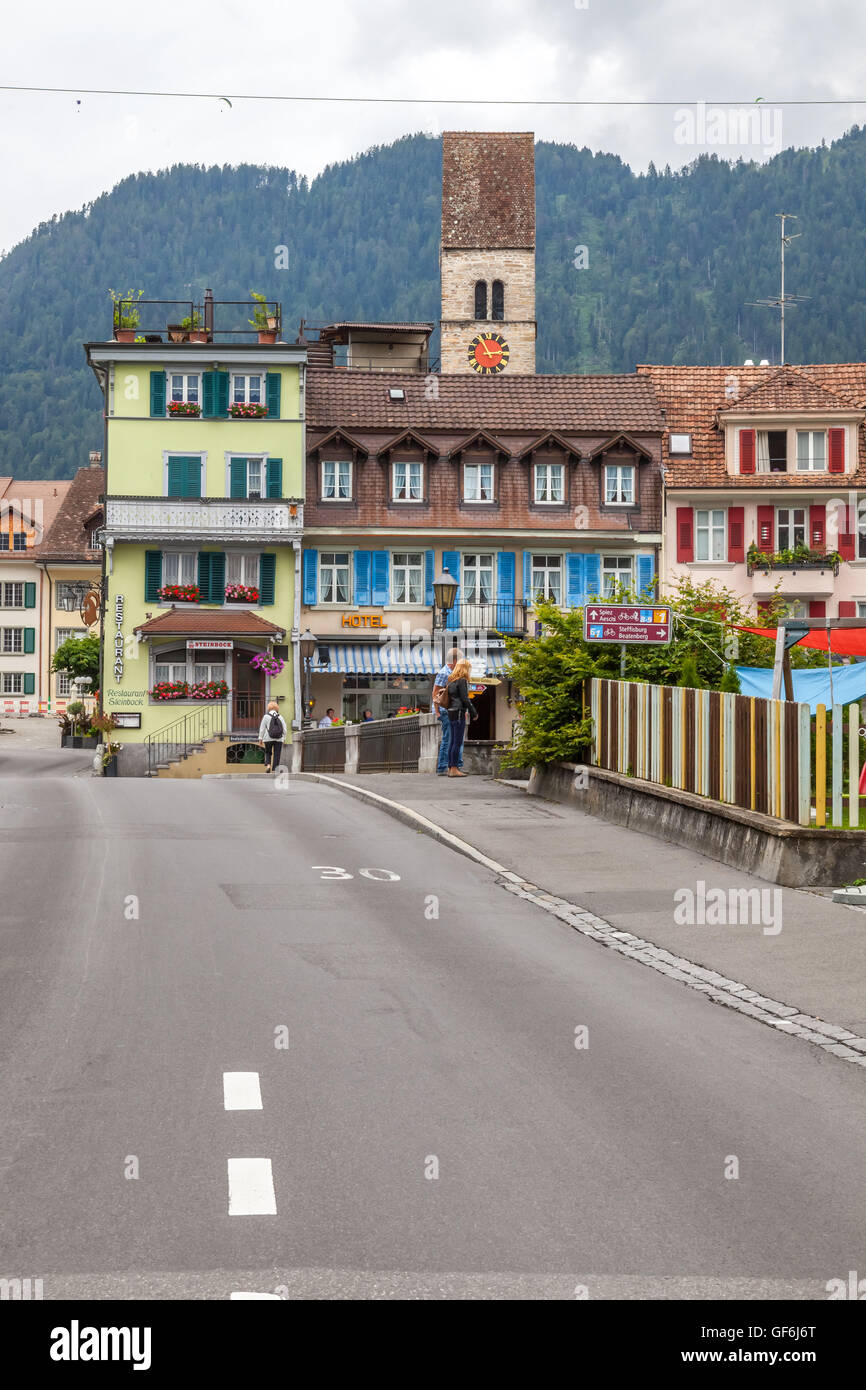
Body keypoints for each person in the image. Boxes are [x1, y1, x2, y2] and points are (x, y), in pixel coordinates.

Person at [444, 658, 477, 777]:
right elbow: (465, 699)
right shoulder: (462, 681)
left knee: (452, 741)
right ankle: (454, 769)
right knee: (457, 742)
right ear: (465, 669)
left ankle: (451, 768)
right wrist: (474, 712)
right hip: (458, 712)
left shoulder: (451, 680)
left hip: (451, 712)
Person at [433, 647, 463, 775]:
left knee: (453, 739)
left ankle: (453, 765)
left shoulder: (452, 673)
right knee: (449, 738)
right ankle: (444, 767)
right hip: (445, 710)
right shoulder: (444, 673)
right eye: (460, 660)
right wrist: (438, 712)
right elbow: (435, 693)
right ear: (455, 660)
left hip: (450, 710)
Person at [257, 699, 288, 774]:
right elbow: (284, 729)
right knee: (277, 754)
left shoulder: (266, 717)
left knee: (268, 752)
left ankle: (268, 766)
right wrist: (284, 738)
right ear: (277, 708)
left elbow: (262, 728)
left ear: (269, 708)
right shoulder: (280, 717)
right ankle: (274, 769)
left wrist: (260, 738)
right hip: (279, 738)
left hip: (268, 738)